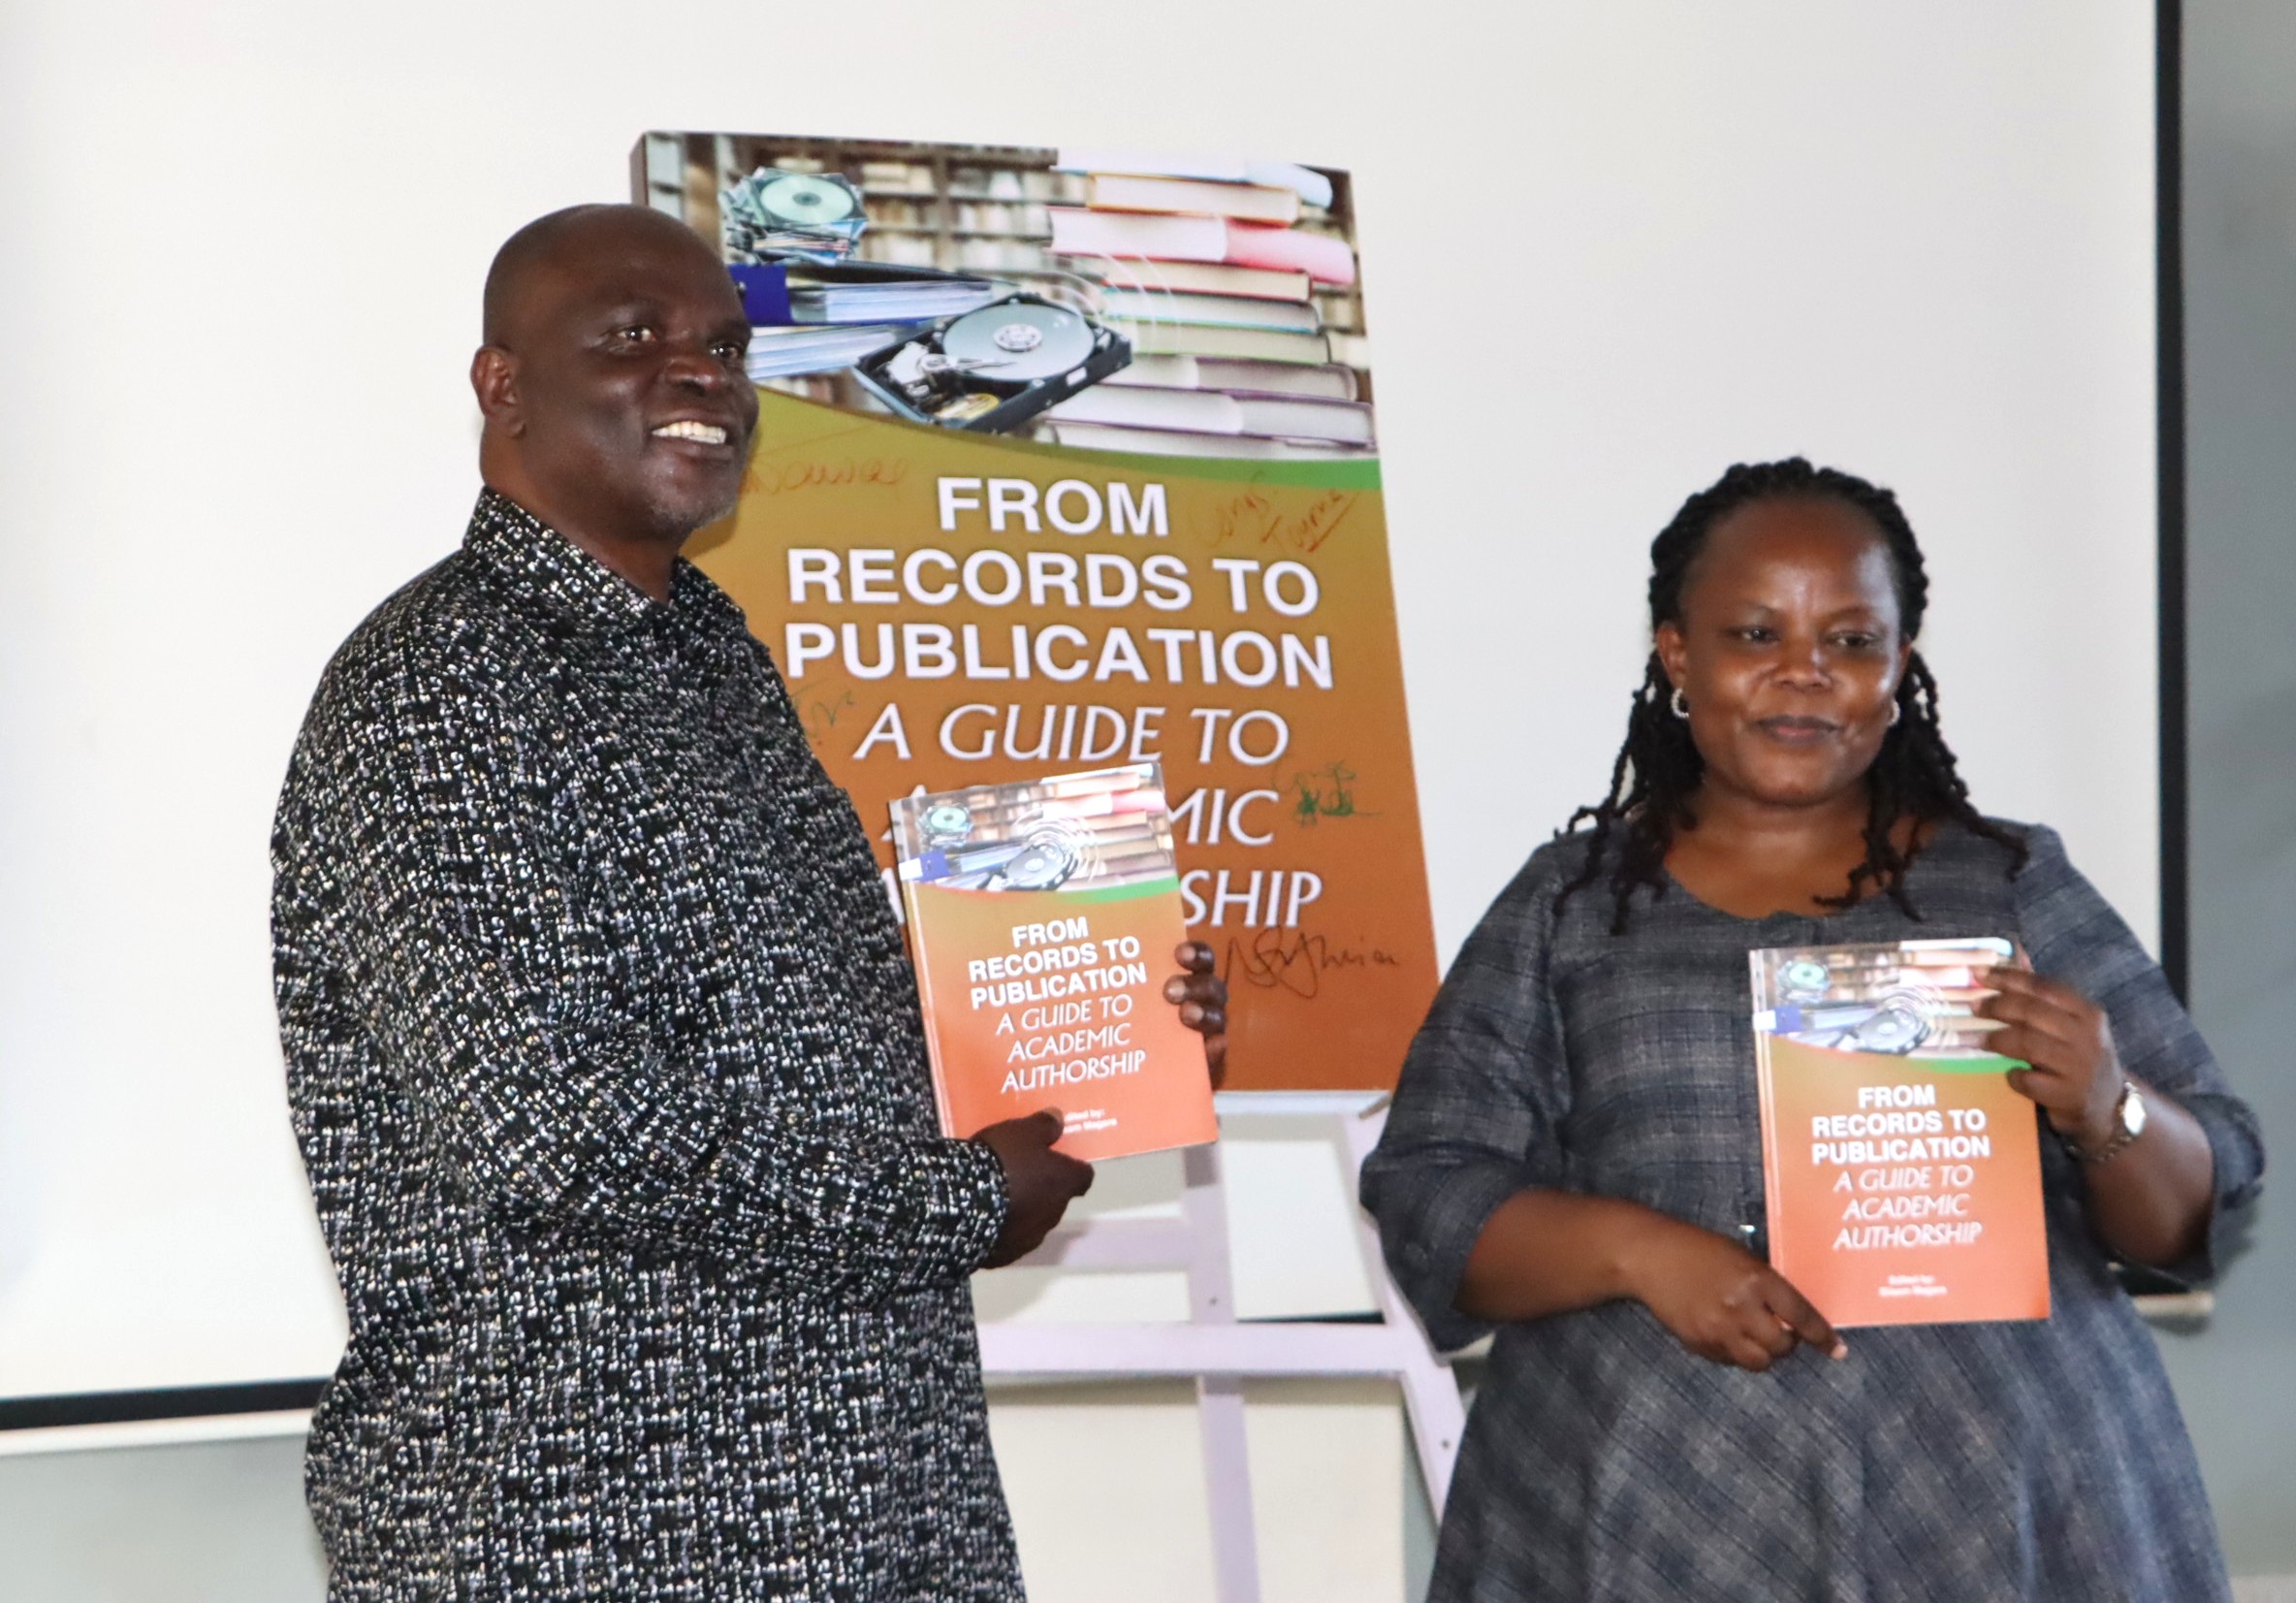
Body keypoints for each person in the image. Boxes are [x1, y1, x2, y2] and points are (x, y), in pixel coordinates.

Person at [271, 203, 1228, 1601]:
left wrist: (1116, 1035)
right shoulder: (440, 684)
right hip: (596, 1519)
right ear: (503, 385)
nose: (704, 373)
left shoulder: (710, 655)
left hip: (869, 1491)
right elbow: (560, 1131)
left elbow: (821, 1045)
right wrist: (955, 1204)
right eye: (636, 338)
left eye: (724, 344)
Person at [1361, 459, 2264, 1602]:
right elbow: (1433, 1190)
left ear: (1899, 668)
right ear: (1677, 653)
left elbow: (2195, 1202)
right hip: (1644, 1503)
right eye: (1753, 633)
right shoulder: (1568, 903)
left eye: (1849, 641)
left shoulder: (2010, 881)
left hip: (2009, 1500)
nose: (1803, 674)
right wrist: (1642, 1253)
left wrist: (2108, 1106)